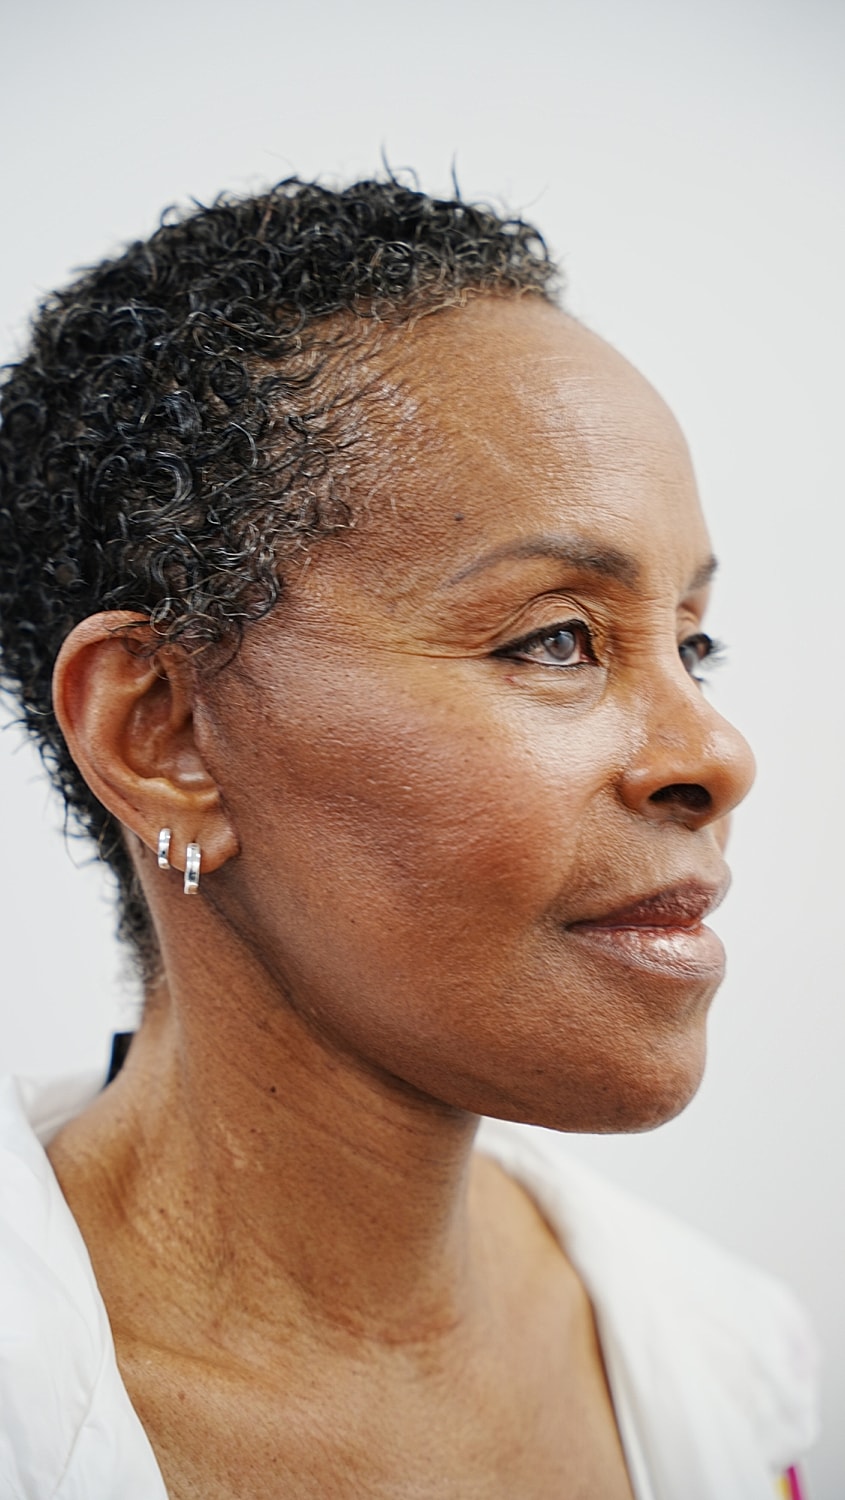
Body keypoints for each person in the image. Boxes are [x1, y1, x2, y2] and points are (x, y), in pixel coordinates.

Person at [0, 178, 817, 1499]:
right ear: (162, 733)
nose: (715, 756)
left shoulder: (725, 1364)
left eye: (692, 641)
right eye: (556, 638)